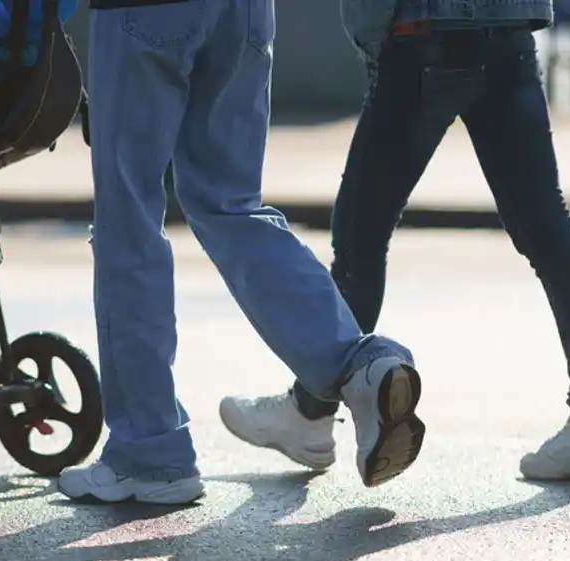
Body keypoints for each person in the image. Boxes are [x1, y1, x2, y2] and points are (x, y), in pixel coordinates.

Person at [220, 0, 570, 480]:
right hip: (509, 33)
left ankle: (309, 415)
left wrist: (376, 36)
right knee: (550, 230)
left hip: (421, 32)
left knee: (360, 238)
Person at [55, 0, 427, 505]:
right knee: (231, 206)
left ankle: (150, 451)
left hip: (144, 11)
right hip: (246, 12)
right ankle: (359, 364)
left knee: (129, 222)